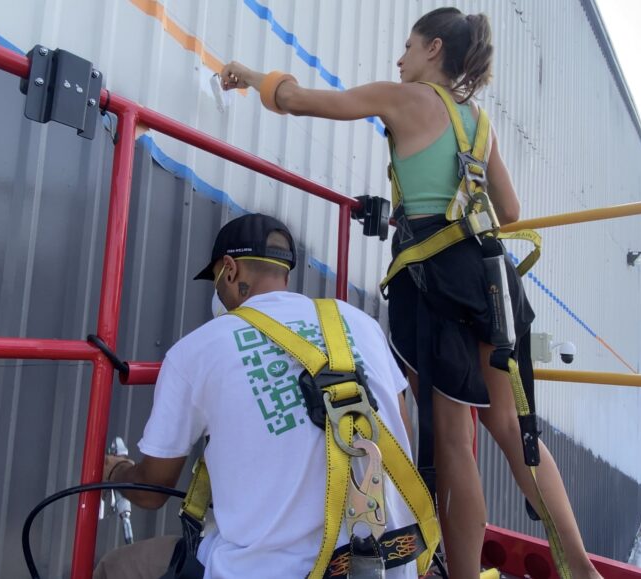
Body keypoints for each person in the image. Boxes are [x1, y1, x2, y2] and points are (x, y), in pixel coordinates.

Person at [220, 7, 602, 579]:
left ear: (434, 49)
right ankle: (584, 570)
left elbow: (299, 101)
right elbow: (512, 212)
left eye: (408, 46)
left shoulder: (407, 99)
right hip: (494, 281)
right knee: (514, 428)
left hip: (434, 278)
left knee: (453, 437)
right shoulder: (478, 122)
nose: (399, 59)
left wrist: (248, 76)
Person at [98, 213, 428, 579]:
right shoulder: (361, 324)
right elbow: (400, 434)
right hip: (388, 565)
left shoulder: (197, 351)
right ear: (285, 275)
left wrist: (118, 470)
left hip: (264, 571)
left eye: (217, 283)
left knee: (116, 567)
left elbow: (151, 490)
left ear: (229, 270)